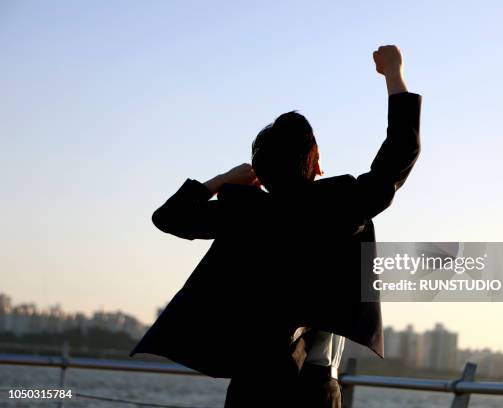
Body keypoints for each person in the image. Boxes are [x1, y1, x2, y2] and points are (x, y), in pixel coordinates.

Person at [130, 44, 422, 408]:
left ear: (261, 174)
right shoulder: (339, 206)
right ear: (316, 165)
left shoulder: (244, 212)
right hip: (311, 388)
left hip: (250, 385)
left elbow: (168, 218)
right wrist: (394, 74)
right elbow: (399, 152)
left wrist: (222, 180)